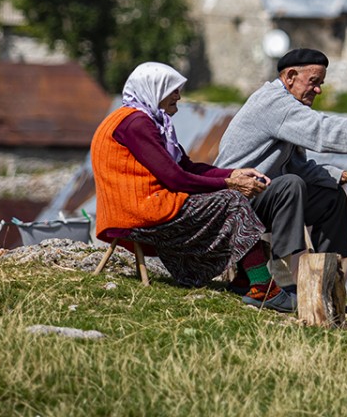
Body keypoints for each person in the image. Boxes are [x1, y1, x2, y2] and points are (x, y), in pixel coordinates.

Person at [91, 62, 294, 312]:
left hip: (144, 206)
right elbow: (175, 179)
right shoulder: (136, 124)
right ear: (153, 90)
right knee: (233, 200)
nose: (178, 96)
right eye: (172, 90)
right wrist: (229, 183)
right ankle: (264, 288)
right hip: (141, 212)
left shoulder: (146, 120)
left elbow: (186, 166)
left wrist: (234, 173)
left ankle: (245, 279)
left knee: (229, 196)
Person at [215, 48, 347, 284]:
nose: (318, 90)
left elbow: (296, 166)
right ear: (290, 77)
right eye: (314, 82)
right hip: (234, 201)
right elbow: (323, 131)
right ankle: (281, 279)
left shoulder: (288, 107)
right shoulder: (275, 103)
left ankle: (328, 280)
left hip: (261, 196)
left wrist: (343, 175)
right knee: (290, 186)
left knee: (330, 195)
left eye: (321, 83)